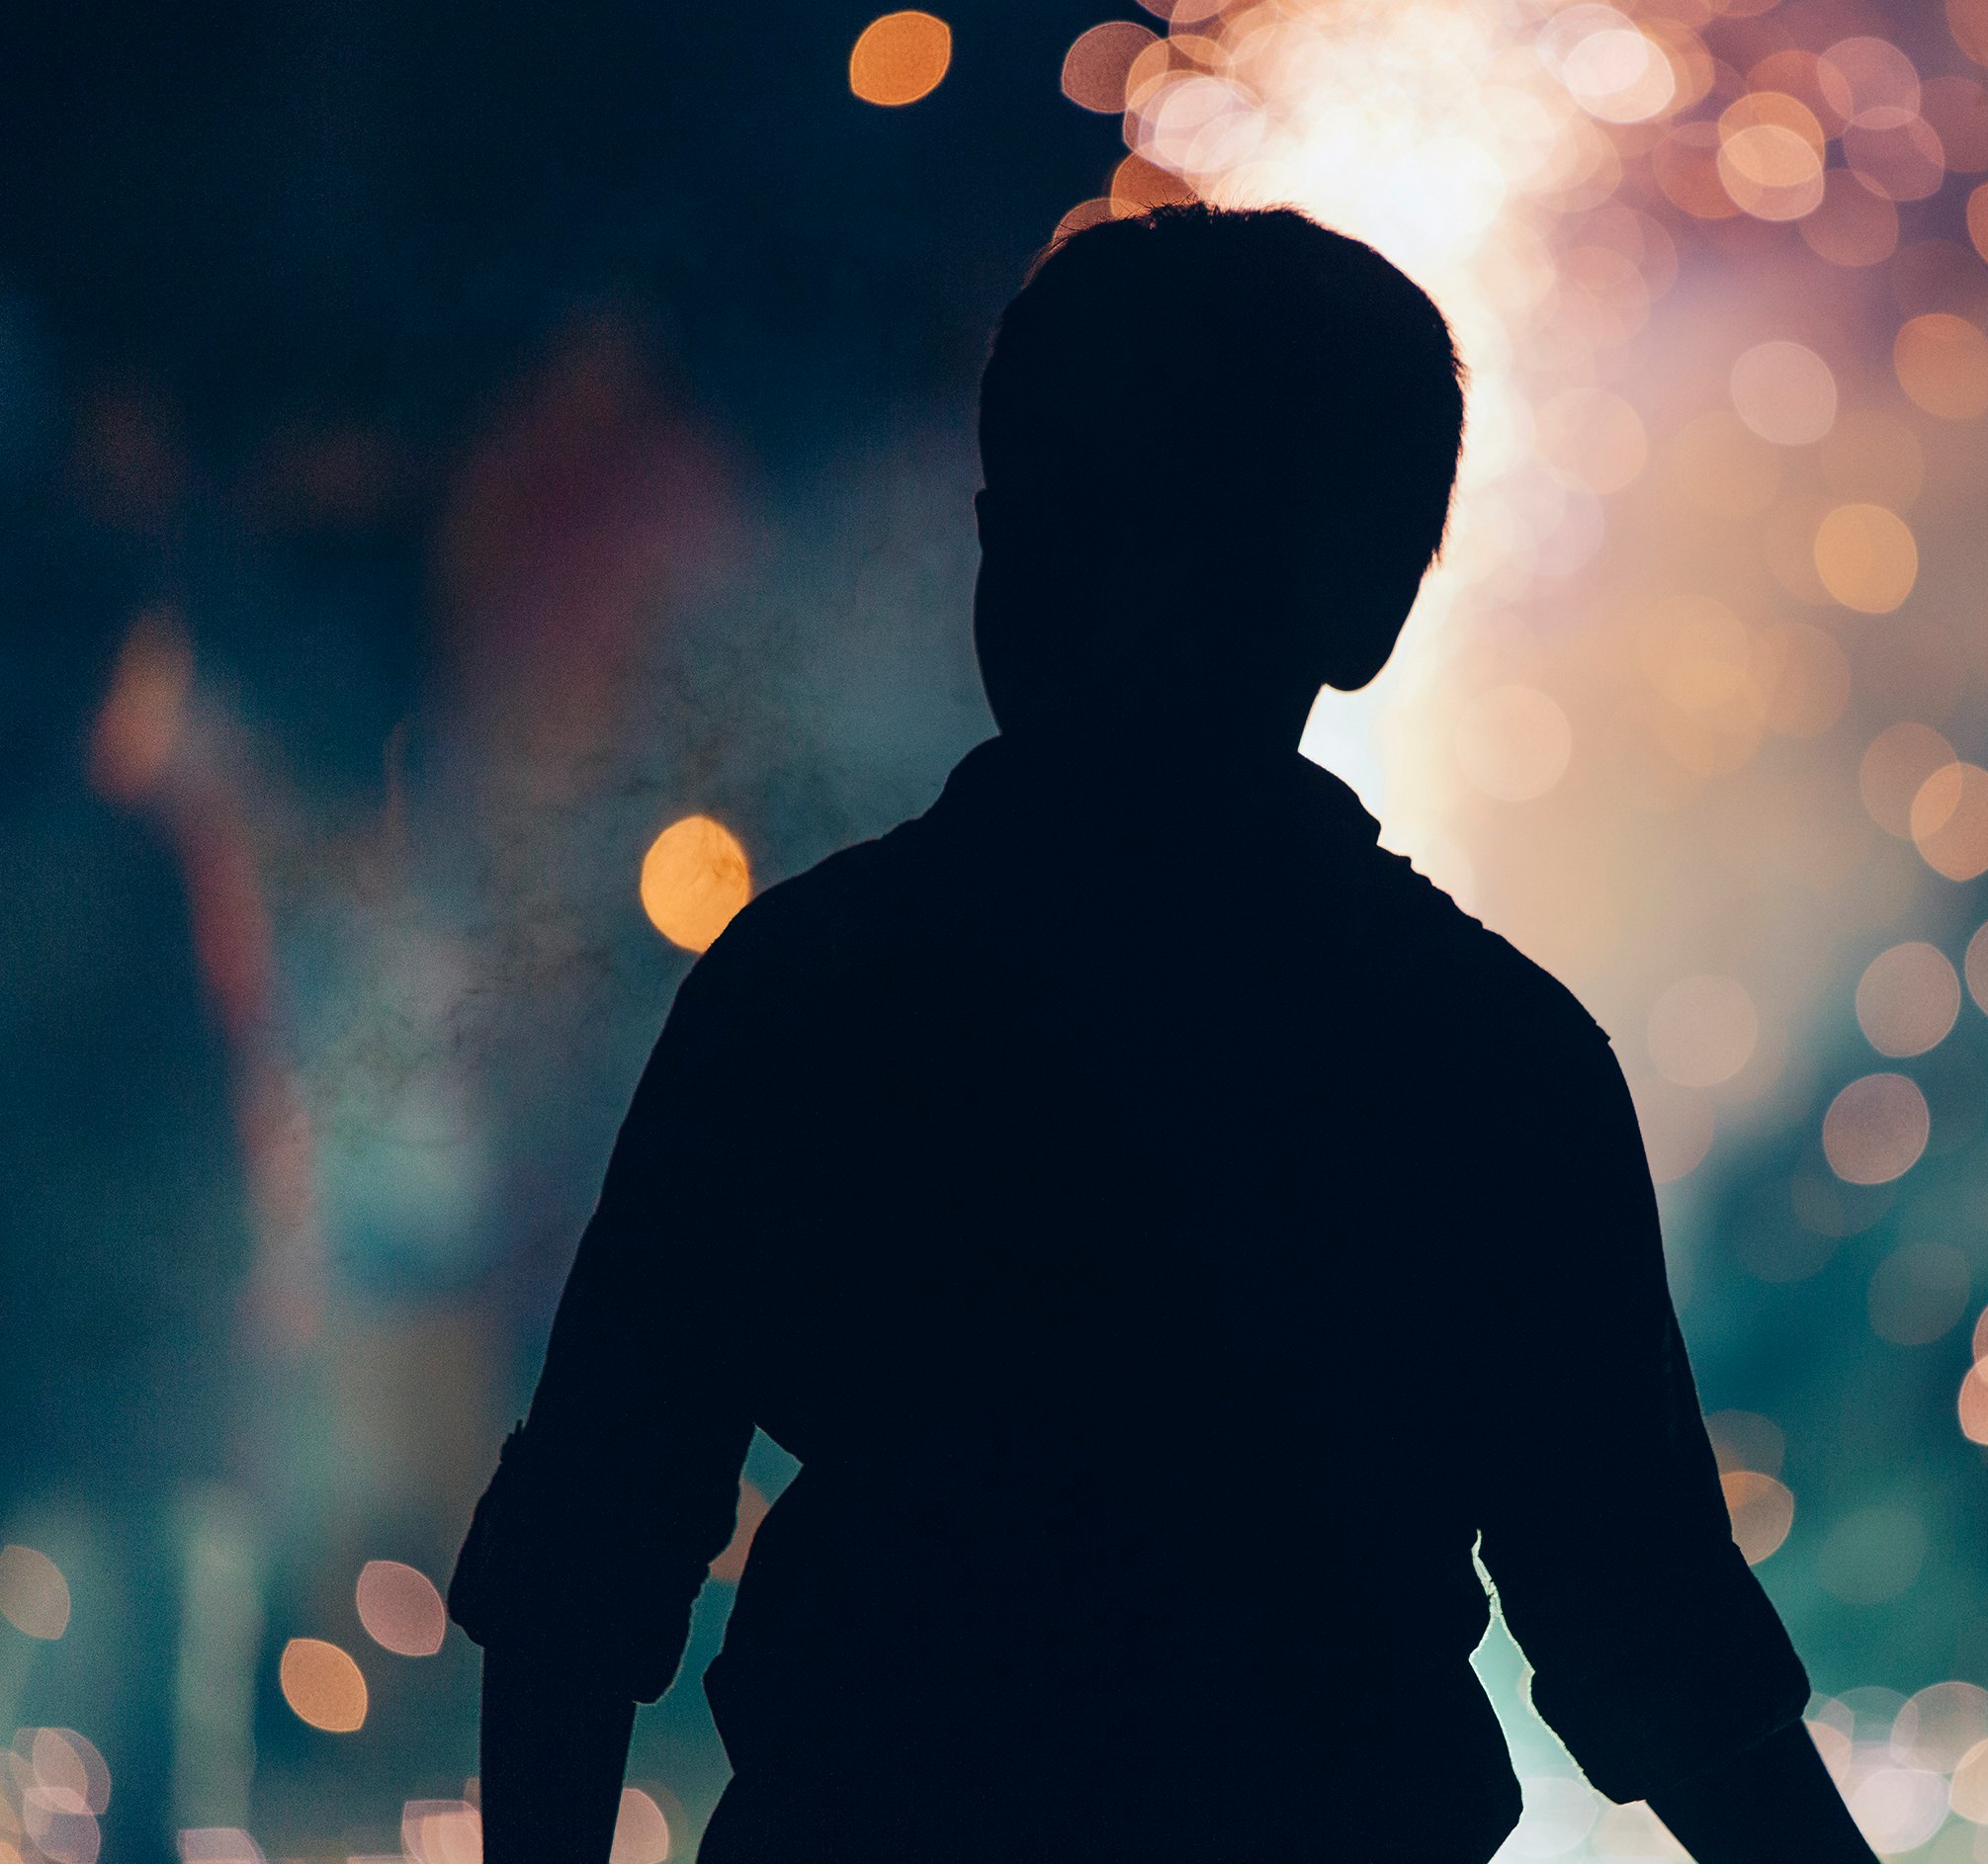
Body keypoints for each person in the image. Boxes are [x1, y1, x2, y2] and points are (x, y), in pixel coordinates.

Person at [448, 205, 1871, 1864]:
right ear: (1372, 606)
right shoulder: (1485, 1055)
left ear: (999, 552)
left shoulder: (817, 988)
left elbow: (584, 1565)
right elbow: (1653, 1635)